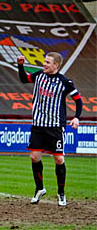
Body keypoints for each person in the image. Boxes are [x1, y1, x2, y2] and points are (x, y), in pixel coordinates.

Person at [17, 52, 82, 206]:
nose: (44, 64)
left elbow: (78, 101)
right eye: (44, 61)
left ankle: (61, 193)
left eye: (47, 62)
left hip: (55, 127)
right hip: (38, 125)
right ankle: (39, 189)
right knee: (34, 157)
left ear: (56, 65)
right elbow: (24, 79)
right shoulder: (39, 75)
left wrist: (76, 117)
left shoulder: (65, 82)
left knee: (59, 159)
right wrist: (20, 66)